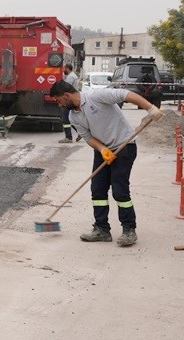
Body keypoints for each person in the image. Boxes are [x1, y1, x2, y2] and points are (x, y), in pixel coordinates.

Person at [48, 79, 163, 247]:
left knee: (120, 190)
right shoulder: (74, 116)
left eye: (59, 101)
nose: (60, 105)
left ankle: (129, 229)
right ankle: (102, 229)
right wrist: (102, 149)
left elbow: (126, 95)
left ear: (66, 95)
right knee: (97, 189)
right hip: (103, 151)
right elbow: (87, 137)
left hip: (124, 146)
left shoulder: (97, 96)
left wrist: (150, 108)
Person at [58, 63, 80, 143]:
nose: (63, 70)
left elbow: (66, 89)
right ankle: (80, 132)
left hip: (68, 101)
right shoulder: (74, 76)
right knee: (70, 118)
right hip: (73, 99)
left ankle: (68, 137)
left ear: (67, 68)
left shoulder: (70, 77)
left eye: (64, 68)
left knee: (65, 119)